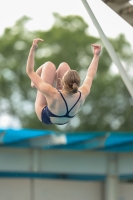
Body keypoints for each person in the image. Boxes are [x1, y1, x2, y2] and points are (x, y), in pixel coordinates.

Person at [26, 38, 101, 125]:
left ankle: (34, 82)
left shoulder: (52, 92)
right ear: (78, 83)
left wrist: (33, 49)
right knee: (63, 65)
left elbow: (30, 71)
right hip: (65, 119)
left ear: (62, 82)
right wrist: (96, 55)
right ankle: (37, 81)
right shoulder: (83, 92)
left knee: (49, 65)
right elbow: (90, 75)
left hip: (46, 117)